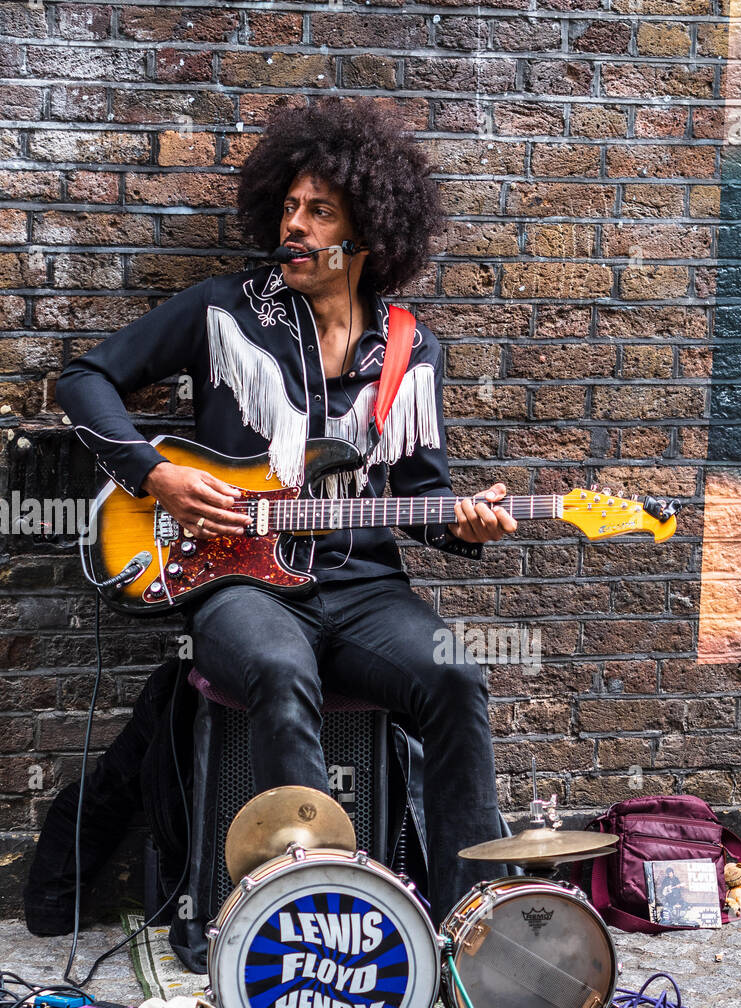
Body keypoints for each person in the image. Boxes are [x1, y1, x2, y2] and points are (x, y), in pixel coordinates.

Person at [55, 96, 517, 957]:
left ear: (369, 233)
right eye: (288, 207)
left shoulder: (409, 348)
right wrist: (156, 474)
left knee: (458, 677)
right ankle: (306, 917)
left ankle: (469, 927)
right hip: (236, 582)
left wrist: (469, 528)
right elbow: (83, 381)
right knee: (276, 665)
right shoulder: (224, 311)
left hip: (363, 589)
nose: (292, 228)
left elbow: (425, 497)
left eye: (319, 213)